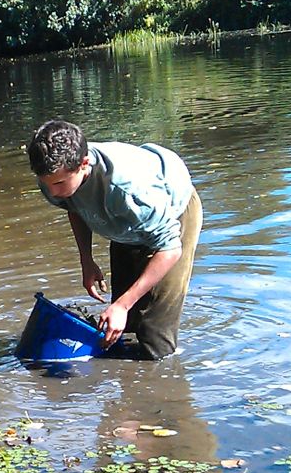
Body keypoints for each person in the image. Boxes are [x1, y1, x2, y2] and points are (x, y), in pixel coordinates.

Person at [26, 119, 202, 359]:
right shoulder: (53, 174)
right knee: (121, 327)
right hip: (124, 223)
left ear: (84, 164)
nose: (52, 192)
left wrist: (122, 305)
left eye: (58, 183)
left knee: (154, 337)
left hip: (172, 214)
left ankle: (161, 385)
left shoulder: (128, 191)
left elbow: (170, 249)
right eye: (47, 184)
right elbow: (73, 206)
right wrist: (86, 260)